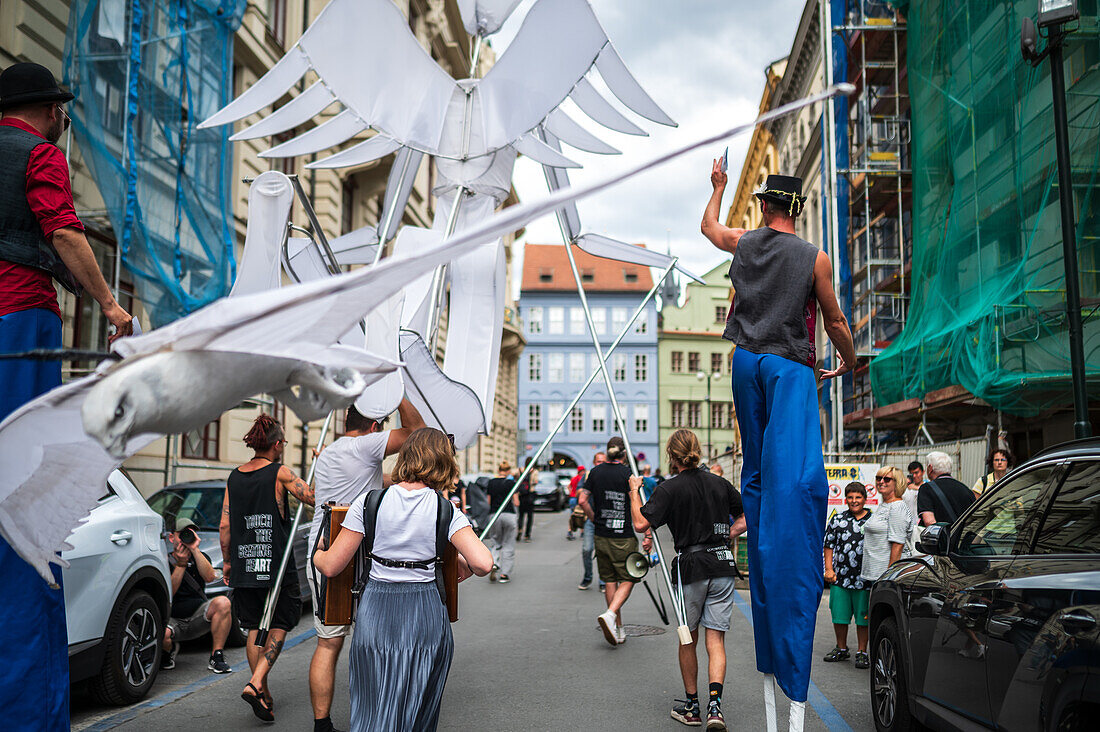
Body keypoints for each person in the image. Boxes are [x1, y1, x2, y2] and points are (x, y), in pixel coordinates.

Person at [0, 62, 135, 729]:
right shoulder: (41, 153)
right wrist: (110, 306)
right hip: (18, 326)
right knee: (22, 506)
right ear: (51, 109)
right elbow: (60, 228)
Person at [703, 165, 857, 726]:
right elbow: (834, 318)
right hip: (791, 364)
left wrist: (718, 185)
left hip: (746, 361)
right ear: (796, 207)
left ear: (766, 205)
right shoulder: (814, 257)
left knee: (761, 478)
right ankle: (785, 542)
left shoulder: (744, 243)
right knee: (795, 478)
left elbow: (708, 228)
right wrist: (850, 359)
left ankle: (763, 520)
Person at [313, 428, 494, 732]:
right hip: (425, 610)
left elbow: (332, 566)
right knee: (418, 706)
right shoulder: (446, 510)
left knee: (374, 702)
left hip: (377, 608)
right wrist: (457, 561)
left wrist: (318, 554)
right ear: (444, 462)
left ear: (406, 457)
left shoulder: (369, 502)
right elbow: (484, 564)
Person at [308, 400, 424, 732]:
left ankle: (322, 725)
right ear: (374, 427)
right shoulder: (366, 445)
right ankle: (376, 716)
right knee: (371, 639)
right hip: (356, 553)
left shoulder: (331, 452)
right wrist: (398, 393)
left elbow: (375, 479)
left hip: (322, 546)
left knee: (328, 643)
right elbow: (416, 433)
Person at [628, 429, 747, 730]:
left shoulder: (670, 488)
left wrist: (633, 489)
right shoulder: (719, 483)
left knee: (687, 638)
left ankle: (693, 707)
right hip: (721, 564)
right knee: (715, 639)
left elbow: (641, 522)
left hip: (691, 567)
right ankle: (715, 708)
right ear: (697, 451)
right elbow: (749, 514)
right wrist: (728, 534)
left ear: (671, 455)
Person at [220, 414, 314, 722]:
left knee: (254, 627)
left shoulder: (234, 476)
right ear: (276, 444)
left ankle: (262, 690)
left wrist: (229, 562)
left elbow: (224, 526)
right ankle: (256, 682)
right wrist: (322, 465)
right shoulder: (280, 472)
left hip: (245, 563)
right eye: (283, 442)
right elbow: (312, 497)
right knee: (281, 622)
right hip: (276, 564)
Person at [579, 436, 638, 646]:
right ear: (624, 453)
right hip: (623, 534)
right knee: (631, 576)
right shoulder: (628, 474)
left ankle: (618, 628)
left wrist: (594, 518)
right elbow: (636, 503)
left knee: (610, 579)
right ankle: (611, 614)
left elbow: (582, 500)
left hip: (601, 533)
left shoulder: (595, 472)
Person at [160, 518, 233, 674]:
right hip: (173, 621)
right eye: (182, 534)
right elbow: (169, 594)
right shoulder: (163, 561)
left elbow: (209, 577)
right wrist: (180, 565)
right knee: (163, 634)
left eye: (191, 533)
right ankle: (169, 651)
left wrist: (195, 550)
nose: (187, 537)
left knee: (223, 602)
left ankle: (217, 657)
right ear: (172, 537)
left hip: (197, 617)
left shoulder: (201, 556)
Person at [822, 483, 872, 669]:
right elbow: (828, 545)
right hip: (840, 578)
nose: (854, 501)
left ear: (864, 499)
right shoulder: (838, 520)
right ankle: (841, 648)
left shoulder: (873, 521)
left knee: (863, 618)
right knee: (839, 616)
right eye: (850, 497)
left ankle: (862, 652)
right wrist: (829, 570)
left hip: (865, 579)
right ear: (846, 499)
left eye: (858, 497)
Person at [860, 466, 913, 601]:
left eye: (887, 479)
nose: (881, 481)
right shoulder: (885, 505)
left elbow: (898, 545)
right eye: (879, 478)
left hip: (886, 578)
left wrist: (888, 579)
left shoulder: (897, 508)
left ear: (898, 482)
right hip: (876, 575)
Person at [919, 451, 976, 527]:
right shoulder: (965, 489)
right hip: (964, 537)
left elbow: (929, 521)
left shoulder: (926, 489)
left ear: (930, 468)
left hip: (942, 537)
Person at [485, 461, 519, 583]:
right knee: (508, 544)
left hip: (494, 515)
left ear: (499, 470)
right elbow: (516, 502)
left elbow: (488, 501)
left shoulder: (491, 482)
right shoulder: (511, 483)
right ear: (508, 470)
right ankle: (505, 574)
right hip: (509, 515)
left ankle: (494, 563)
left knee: (495, 541)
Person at [578, 451, 606, 590]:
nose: (600, 464)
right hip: (591, 518)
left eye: (603, 461)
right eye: (598, 461)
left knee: (602, 551)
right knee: (587, 549)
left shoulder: (608, 476)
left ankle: (603, 581)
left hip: (605, 519)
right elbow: (579, 492)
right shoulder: (588, 476)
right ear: (594, 463)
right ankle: (588, 577)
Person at [516, 458, 537, 542]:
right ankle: (527, 535)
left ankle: (520, 529)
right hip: (530, 495)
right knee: (530, 516)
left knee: (521, 515)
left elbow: (515, 476)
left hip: (522, 495)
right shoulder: (534, 471)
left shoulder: (521, 470)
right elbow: (536, 481)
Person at [566, 465, 585, 540]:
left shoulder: (574, 478)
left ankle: (569, 531)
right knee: (581, 514)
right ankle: (582, 532)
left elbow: (569, 486)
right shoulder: (581, 479)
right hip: (577, 498)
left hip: (572, 498)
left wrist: (571, 492)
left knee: (572, 515)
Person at [904, 461, 925, 526]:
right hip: (909, 525)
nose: (914, 476)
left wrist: (917, 488)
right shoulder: (907, 489)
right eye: (912, 474)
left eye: (916, 473)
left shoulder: (928, 487)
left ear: (923, 472)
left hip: (922, 525)